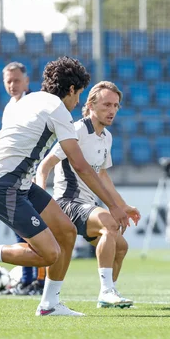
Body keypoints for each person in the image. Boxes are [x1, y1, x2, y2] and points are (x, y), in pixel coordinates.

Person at [0, 57, 129, 317]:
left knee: (67, 232)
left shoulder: (29, 99)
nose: (77, 102)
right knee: (48, 254)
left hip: (16, 182)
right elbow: (81, 166)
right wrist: (115, 206)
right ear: (71, 90)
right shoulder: (58, 109)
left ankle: (49, 305)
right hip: (3, 186)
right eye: (79, 94)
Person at [36, 81, 141, 308]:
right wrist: (42, 201)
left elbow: (101, 175)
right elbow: (44, 166)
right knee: (109, 224)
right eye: (106, 105)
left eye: (115, 105)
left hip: (87, 206)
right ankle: (106, 291)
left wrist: (122, 206)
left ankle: (108, 295)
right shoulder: (77, 130)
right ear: (91, 105)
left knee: (121, 247)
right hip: (67, 203)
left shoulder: (106, 137)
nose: (112, 110)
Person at [0, 61, 46, 296]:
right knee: (19, 228)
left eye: (17, 80)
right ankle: (26, 281)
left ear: (27, 81)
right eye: (8, 81)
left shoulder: (33, 104)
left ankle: (40, 281)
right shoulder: (10, 107)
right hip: (12, 177)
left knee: (36, 228)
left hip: (30, 175)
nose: (12, 85)